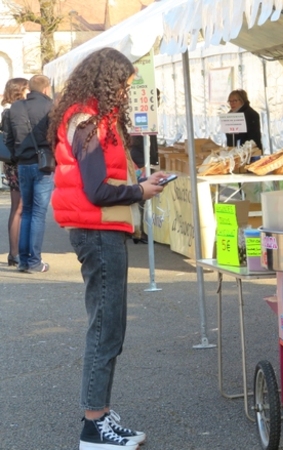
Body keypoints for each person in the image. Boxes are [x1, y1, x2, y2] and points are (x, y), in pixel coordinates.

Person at [49, 47, 168, 450]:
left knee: (108, 326)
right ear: (106, 81)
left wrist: (140, 181)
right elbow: (98, 190)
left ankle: (98, 413)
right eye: (124, 84)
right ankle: (94, 424)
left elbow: (101, 178)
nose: (127, 92)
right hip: (96, 231)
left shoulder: (87, 117)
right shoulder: (86, 120)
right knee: (105, 329)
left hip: (97, 230)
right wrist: (142, 191)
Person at [5, 74, 53, 273]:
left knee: (26, 212)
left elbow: (8, 139)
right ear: (45, 89)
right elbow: (56, 135)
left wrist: (17, 156)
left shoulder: (15, 107)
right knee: (38, 214)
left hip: (22, 164)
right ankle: (34, 261)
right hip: (43, 164)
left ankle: (23, 260)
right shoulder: (50, 107)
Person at [1, 77, 28, 267]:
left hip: (10, 162)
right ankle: (15, 252)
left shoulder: (7, 110)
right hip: (18, 161)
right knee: (19, 208)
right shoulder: (12, 111)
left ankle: (15, 253)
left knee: (17, 207)